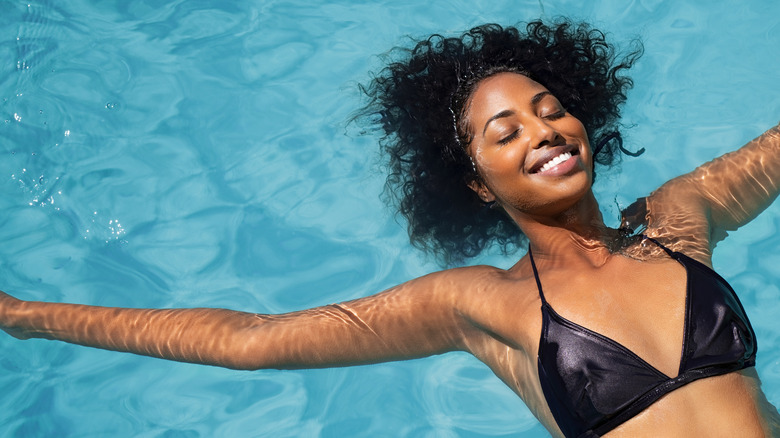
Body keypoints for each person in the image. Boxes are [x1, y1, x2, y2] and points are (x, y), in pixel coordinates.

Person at [1, 20, 779, 437]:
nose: (542, 132)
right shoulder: (482, 306)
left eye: (550, 111)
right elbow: (250, 340)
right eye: (504, 133)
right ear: (476, 184)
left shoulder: (678, 225)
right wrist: (24, 317)